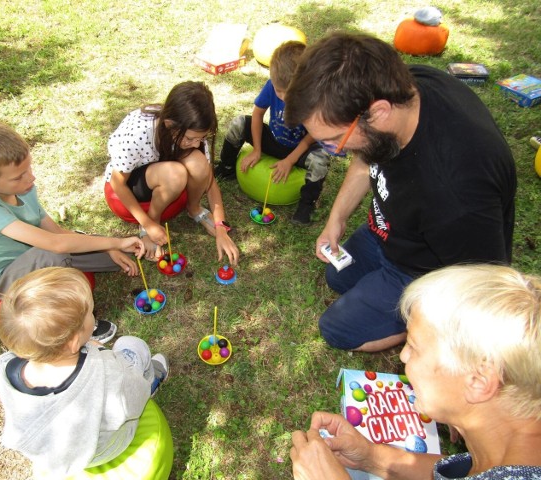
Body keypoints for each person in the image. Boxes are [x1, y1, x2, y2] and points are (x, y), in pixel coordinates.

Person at [284, 32, 516, 352]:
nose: (334, 152)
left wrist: (427, 330)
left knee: (337, 330)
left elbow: (482, 290)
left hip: (424, 268)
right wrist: (336, 220)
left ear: (378, 112)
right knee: (337, 277)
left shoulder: (455, 194)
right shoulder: (406, 87)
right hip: (392, 230)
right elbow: (367, 159)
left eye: (333, 141)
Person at [290, 264, 541, 480]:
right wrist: (371, 456)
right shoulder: (509, 444)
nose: (403, 356)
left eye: (414, 346)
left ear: (478, 381)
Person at [0, 119, 144, 342]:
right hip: (3, 275)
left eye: (28, 168)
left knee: (118, 257)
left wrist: (110, 247)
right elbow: (56, 245)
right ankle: (81, 325)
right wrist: (114, 242)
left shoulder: (23, 188)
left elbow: (56, 232)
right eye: (18, 176)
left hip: (39, 253)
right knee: (54, 254)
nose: (31, 177)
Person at [0, 267, 169, 476]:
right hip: (103, 450)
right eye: (90, 313)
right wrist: (101, 352)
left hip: (53, 454)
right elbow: (135, 397)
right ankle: (154, 376)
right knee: (131, 345)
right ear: (75, 341)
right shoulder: (105, 370)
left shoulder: (4, 368)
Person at [104, 81, 239, 264]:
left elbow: (209, 180)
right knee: (175, 174)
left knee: (199, 164)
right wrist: (148, 224)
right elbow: (117, 183)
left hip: (163, 172)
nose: (197, 144)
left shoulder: (192, 131)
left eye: (201, 138)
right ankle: (152, 222)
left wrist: (220, 227)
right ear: (169, 124)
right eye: (191, 138)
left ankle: (194, 209)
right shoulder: (138, 134)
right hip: (131, 183)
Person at [214, 41, 331, 225]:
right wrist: (257, 150)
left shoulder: (313, 97)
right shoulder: (271, 85)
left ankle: (306, 205)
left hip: (300, 148)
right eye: (279, 91)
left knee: (321, 159)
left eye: (289, 93)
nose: (283, 97)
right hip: (274, 141)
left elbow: (313, 135)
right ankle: (226, 168)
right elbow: (258, 114)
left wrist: (290, 160)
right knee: (238, 124)